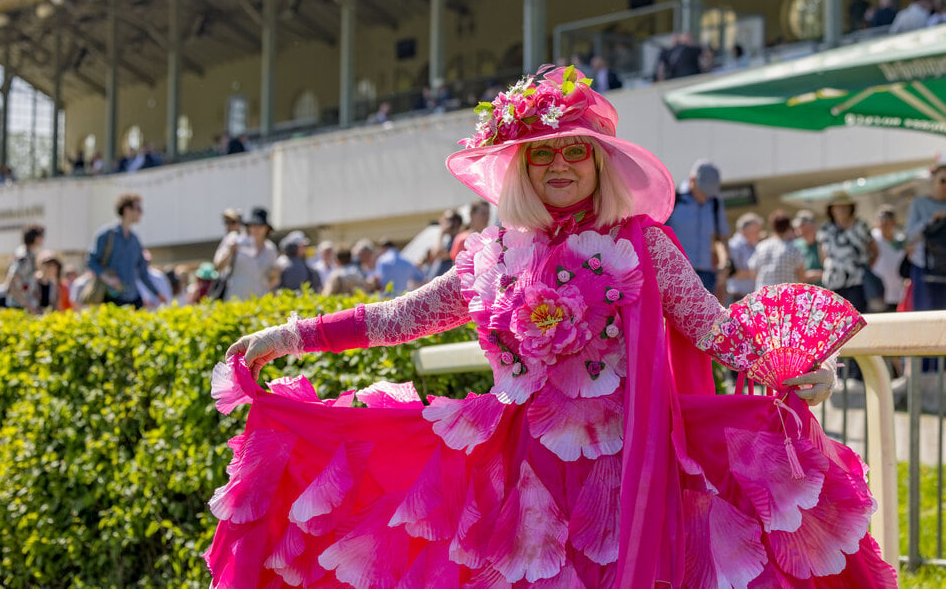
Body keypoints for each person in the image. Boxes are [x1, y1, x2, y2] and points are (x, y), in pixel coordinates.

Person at [210, 65, 896, 588]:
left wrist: (789, 366)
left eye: (574, 151)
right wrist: (293, 336)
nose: (560, 165)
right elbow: (402, 316)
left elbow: (710, 327)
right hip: (518, 472)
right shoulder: (492, 252)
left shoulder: (642, 243)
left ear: (598, 161)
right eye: (542, 154)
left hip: (634, 467)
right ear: (519, 167)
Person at [87, 194, 166, 309]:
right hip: (112, 297)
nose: (141, 213)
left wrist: (157, 294)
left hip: (134, 298)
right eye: (138, 209)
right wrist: (109, 280)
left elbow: (143, 272)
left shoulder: (135, 240)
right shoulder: (106, 235)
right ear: (127, 210)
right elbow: (91, 261)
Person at [665, 159, 730, 298]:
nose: (706, 197)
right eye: (704, 192)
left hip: (707, 274)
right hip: (678, 272)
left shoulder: (715, 203)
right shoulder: (674, 198)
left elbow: (722, 237)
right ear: (692, 181)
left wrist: (725, 263)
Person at [817, 191, 877, 314]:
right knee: (837, 319)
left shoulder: (861, 225)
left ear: (851, 207)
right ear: (831, 209)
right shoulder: (825, 229)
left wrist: (866, 267)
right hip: (834, 281)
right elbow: (822, 255)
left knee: (858, 316)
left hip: (858, 280)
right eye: (838, 206)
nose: (842, 209)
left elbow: (874, 250)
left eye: (845, 206)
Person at [905, 155, 946, 311]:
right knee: (925, 314)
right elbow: (910, 236)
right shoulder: (919, 203)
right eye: (943, 180)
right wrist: (931, 220)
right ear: (933, 181)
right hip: (924, 268)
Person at [213, 207, 279, 301]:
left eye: (260, 226)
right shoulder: (234, 240)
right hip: (235, 298)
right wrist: (230, 252)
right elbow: (218, 266)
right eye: (254, 225)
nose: (256, 229)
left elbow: (273, 280)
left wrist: (275, 275)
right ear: (249, 227)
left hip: (260, 301)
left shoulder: (270, 249)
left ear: (267, 229)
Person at [749, 209, 806, 288]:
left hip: (764, 295)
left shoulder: (761, 246)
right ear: (788, 227)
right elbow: (801, 277)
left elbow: (752, 272)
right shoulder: (794, 249)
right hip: (786, 295)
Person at [1, 224, 46, 314]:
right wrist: (28, 306)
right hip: (19, 307)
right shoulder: (23, 256)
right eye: (41, 236)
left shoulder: (30, 255)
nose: (43, 240)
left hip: (25, 306)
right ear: (36, 238)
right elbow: (11, 282)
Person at [871, 205, 905, 312]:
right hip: (879, 293)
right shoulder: (873, 238)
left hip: (900, 293)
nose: (883, 223)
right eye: (881, 219)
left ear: (894, 222)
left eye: (887, 220)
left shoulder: (900, 240)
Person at [725, 212, 762, 304]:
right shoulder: (733, 245)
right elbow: (734, 273)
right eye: (756, 231)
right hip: (737, 298)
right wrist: (757, 274)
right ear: (747, 230)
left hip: (752, 298)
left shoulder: (754, 245)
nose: (759, 234)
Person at [792, 209, 823, 285]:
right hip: (803, 291)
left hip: (824, 291)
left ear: (811, 226)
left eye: (802, 225)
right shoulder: (795, 245)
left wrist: (819, 275)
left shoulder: (822, 243)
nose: (798, 229)